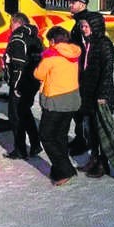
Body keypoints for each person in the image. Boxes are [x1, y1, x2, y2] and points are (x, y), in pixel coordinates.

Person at [33, 26, 81, 186]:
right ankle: (61, 169)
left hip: (55, 100)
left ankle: (65, 169)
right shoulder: (74, 54)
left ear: (53, 41)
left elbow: (38, 74)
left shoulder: (50, 57)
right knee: (60, 136)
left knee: (46, 136)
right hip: (72, 99)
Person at [75, 12, 114, 178]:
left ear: (95, 26)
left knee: (101, 132)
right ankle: (94, 158)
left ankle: (103, 164)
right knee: (90, 130)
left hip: (100, 95)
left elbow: (107, 71)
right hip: (88, 94)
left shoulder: (104, 44)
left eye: (86, 26)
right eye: (82, 26)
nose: (83, 29)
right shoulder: (88, 44)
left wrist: (103, 94)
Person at [3, 13, 44, 160]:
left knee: (15, 115)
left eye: (11, 24)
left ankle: (20, 149)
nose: (9, 27)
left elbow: (18, 65)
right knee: (25, 111)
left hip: (20, 81)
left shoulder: (17, 38)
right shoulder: (36, 38)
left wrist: (15, 85)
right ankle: (35, 143)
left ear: (17, 23)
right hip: (33, 80)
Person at [67, 0, 91, 156]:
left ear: (81, 5)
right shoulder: (76, 22)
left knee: (82, 109)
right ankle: (79, 137)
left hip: (82, 72)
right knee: (77, 107)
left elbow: (85, 49)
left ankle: (84, 141)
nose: (70, 5)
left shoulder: (84, 22)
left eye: (72, 3)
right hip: (77, 71)